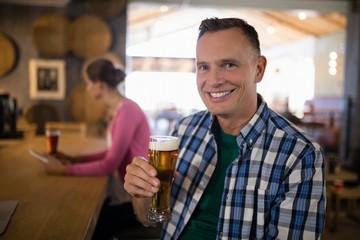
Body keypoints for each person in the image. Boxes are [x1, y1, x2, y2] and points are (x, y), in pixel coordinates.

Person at [124, 17, 326, 239]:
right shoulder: (184, 130)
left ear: (259, 69)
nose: (213, 80)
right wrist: (141, 193)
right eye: (204, 67)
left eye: (228, 65)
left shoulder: (300, 153)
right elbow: (148, 219)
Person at [42, 59, 151, 239]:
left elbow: (109, 165)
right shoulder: (120, 109)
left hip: (136, 198)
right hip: (125, 190)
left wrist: (63, 169)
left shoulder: (127, 111)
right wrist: (77, 158)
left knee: (88, 225)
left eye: (88, 83)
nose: (86, 88)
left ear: (100, 86)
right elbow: (113, 153)